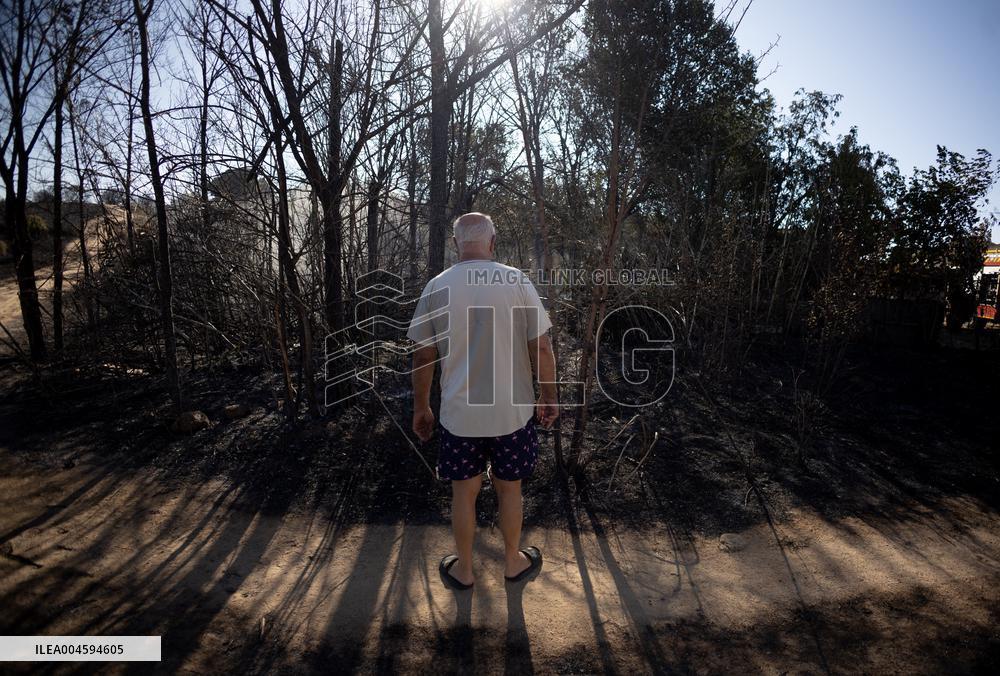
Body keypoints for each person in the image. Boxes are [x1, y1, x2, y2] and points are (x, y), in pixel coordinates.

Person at [407, 212, 558, 590]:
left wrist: (421, 407)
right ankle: (512, 562)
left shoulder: (437, 287)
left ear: (457, 244)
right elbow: (540, 345)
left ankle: (465, 571)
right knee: (510, 488)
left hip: (460, 416)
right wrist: (549, 395)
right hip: (512, 413)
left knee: (464, 490)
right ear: (492, 243)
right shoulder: (516, 280)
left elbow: (423, 356)